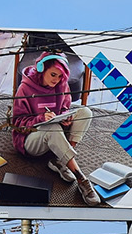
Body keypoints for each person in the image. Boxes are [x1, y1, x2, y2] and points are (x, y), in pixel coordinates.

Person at [10, 52, 102, 206]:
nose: (56, 80)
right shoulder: (25, 89)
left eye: (60, 76)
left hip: (54, 130)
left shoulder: (61, 84)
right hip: (30, 140)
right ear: (42, 69)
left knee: (85, 112)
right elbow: (17, 124)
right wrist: (40, 119)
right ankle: (81, 178)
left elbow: (65, 107)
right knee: (51, 127)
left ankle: (60, 160)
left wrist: (65, 116)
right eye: (53, 74)